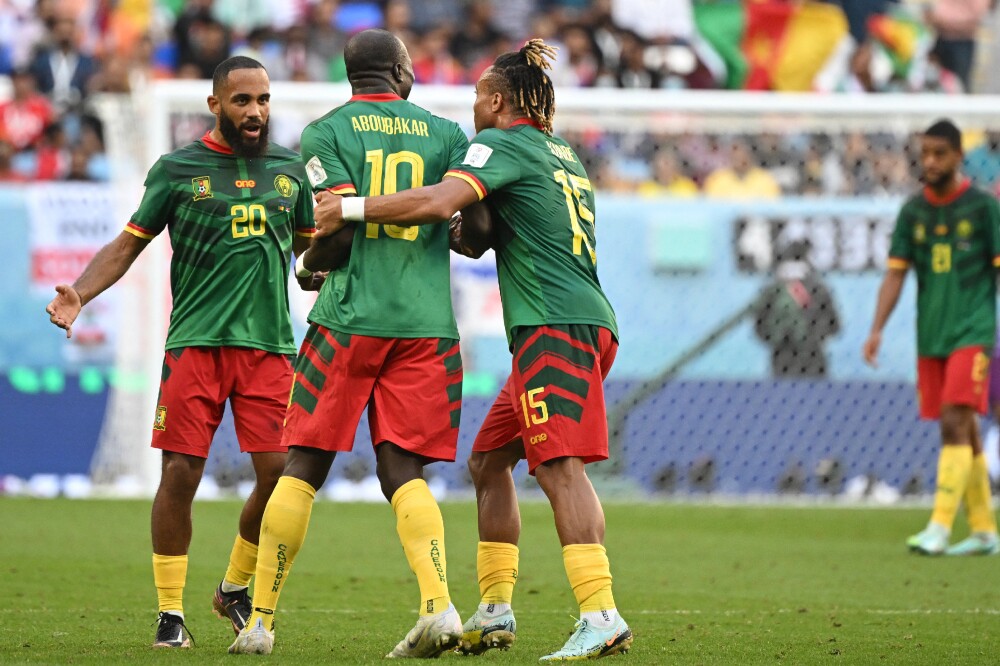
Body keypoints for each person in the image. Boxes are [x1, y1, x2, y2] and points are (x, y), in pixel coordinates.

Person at [312, 38, 633, 661]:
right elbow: (479, 238)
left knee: (560, 467)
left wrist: (346, 208)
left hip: (554, 328)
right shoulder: (560, 151)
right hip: (578, 322)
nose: (471, 117)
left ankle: (601, 614)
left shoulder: (501, 143)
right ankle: (494, 611)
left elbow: (437, 203)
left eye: (475, 102)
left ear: (494, 99)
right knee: (489, 462)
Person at [229, 29, 487, 658]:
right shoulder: (449, 135)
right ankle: (438, 606)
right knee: (403, 470)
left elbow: (339, 236)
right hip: (425, 327)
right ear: (402, 71)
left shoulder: (325, 133)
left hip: (347, 323)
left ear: (351, 77)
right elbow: (477, 234)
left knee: (305, 465)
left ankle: (260, 622)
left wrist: (309, 264)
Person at [44, 56, 319, 648]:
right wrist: (80, 293)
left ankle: (234, 588)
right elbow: (128, 244)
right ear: (216, 105)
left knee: (279, 478)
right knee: (180, 472)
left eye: (263, 100)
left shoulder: (292, 172)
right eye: (243, 101)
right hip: (195, 344)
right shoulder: (177, 169)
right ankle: (171, 614)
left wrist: (317, 272)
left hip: (270, 349)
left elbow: (305, 248)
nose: (256, 112)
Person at [863, 119, 1000, 556]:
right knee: (967, 428)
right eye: (925, 153)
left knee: (953, 419)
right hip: (932, 334)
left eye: (940, 153)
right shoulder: (913, 212)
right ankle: (984, 531)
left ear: (960, 156)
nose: (931, 161)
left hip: (973, 330)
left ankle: (939, 527)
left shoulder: (982, 208)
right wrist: (877, 329)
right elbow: (896, 273)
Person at [752, 239, 841, 378]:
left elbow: (759, 325)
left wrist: (779, 337)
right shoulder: (817, 288)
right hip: (813, 356)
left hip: (782, 356)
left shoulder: (773, 290)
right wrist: (814, 336)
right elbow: (834, 325)